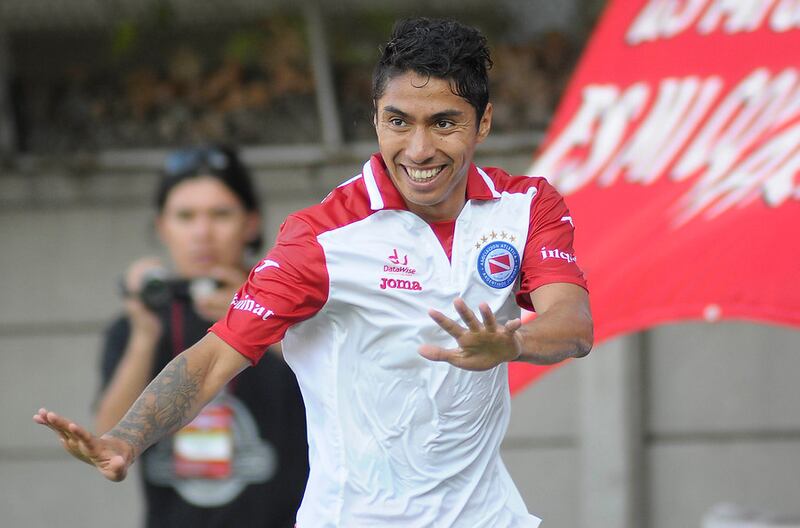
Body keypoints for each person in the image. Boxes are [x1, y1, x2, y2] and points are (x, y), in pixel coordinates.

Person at [35, 18, 593, 527]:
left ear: (483, 122)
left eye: (444, 123)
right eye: (398, 122)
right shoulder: (320, 237)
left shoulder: (527, 206)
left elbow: (572, 325)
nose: (418, 149)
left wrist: (511, 344)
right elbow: (212, 359)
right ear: (375, 117)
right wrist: (126, 440)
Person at [93, 145, 308, 527]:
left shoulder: (295, 311)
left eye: (220, 214)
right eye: (185, 216)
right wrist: (144, 334)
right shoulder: (135, 324)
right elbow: (107, 442)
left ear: (252, 223)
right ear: (162, 226)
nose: (202, 233)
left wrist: (254, 317)